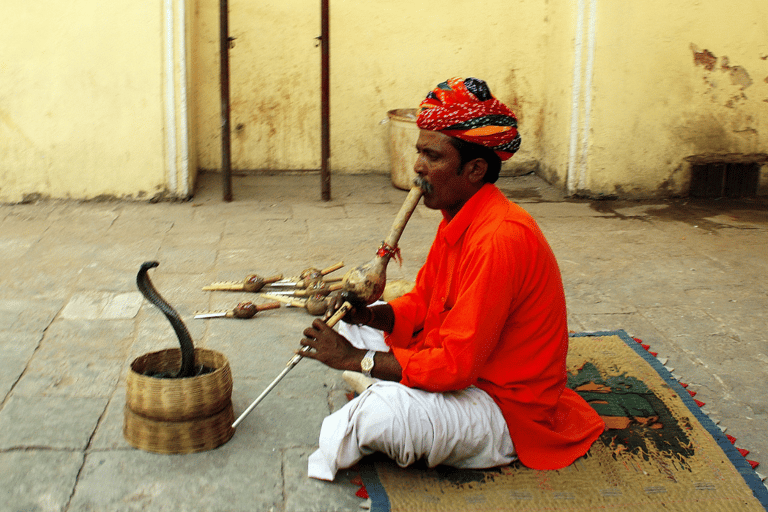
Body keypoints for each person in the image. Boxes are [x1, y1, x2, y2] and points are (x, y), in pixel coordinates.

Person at [300, 77, 605, 481]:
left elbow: (457, 368)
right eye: (419, 152)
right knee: (351, 331)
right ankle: (386, 379)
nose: (418, 168)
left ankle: (383, 387)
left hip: (502, 405)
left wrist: (355, 359)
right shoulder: (458, 218)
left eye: (433, 156)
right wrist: (371, 316)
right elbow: (424, 301)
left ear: (475, 169)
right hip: (467, 369)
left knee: (378, 418)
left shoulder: (499, 238)